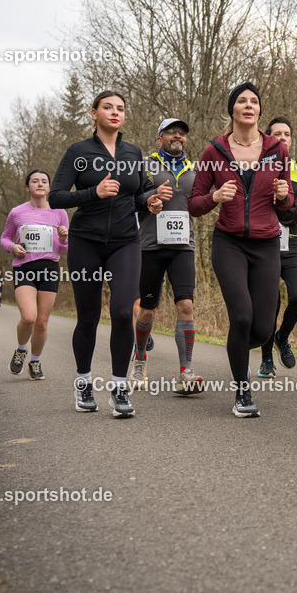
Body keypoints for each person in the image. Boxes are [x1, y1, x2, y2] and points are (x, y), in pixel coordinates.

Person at [49, 91, 164, 418]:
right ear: (94, 113)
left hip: (126, 242)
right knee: (88, 316)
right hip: (86, 241)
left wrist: (151, 201)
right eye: (108, 107)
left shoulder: (133, 152)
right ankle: (83, 382)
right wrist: (92, 193)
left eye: (120, 109)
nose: (115, 112)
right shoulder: (79, 152)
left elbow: (139, 195)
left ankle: (118, 388)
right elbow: (56, 197)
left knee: (121, 309)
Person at [187, 83, 294, 417]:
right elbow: (194, 204)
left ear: (259, 111)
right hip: (229, 243)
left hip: (266, 245)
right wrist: (215, 198)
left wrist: (283, 195)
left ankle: (237, 347)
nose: (249, 105)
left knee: (262, 328)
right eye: (242, 101)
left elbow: (288, 204)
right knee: (242, 316)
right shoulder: (213, 152)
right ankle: (242, 391)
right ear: (232, 109)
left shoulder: (278, 150)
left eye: (255, 102)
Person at [131, 117, 203, 395]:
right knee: (148, 311)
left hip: (183, 247)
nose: (178, 135)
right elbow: (130, 200)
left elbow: (201, 203)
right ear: (158, 139)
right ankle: (139, 360)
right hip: (150, 246)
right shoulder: (145, 165)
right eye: (171, 131)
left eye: (182, 133)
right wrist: (149, 198)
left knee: (186, 306)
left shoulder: (195, 171)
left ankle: (186, 371)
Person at [0, 170, 70, 380]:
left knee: (41, 322)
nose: (40, 184)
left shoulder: (60, 212)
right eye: (35, 181)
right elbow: (4, 238)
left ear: (49, 188)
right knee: (29, 317)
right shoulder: (17, 212)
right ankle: (21, 349)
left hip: (49, 268)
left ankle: (35, 362)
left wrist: (65, 237)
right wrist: (13, 247)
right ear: (27, 187)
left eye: (44, 181)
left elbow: (66, 247)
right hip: (24, 268)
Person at [258, 116, 297, 379]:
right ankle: (266, 357)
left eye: (287, 134)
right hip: (264, 241)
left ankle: (282, 337)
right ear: (268, 138)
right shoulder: (258, 165)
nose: (282, 138)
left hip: (292, 241)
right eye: (277, 134)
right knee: (271, 302)